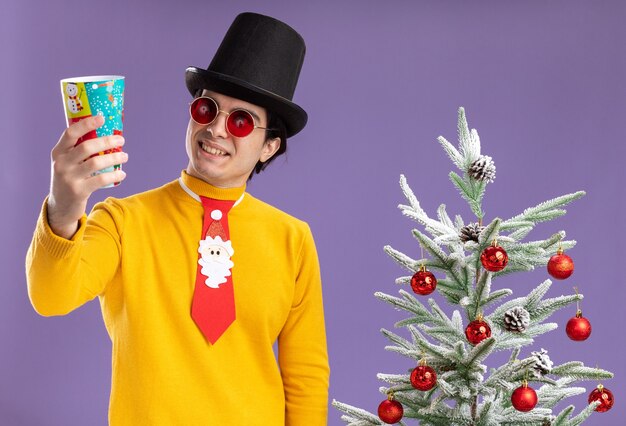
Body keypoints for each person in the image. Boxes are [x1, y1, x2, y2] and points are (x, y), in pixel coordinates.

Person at [25, 12, 329, 425]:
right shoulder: (121, 220)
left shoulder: (292, 239)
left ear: (269, 147)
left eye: (241, 120)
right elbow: (51, 297)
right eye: (208, 109)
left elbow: (306, 377)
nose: (218, 129)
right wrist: (64, 206)